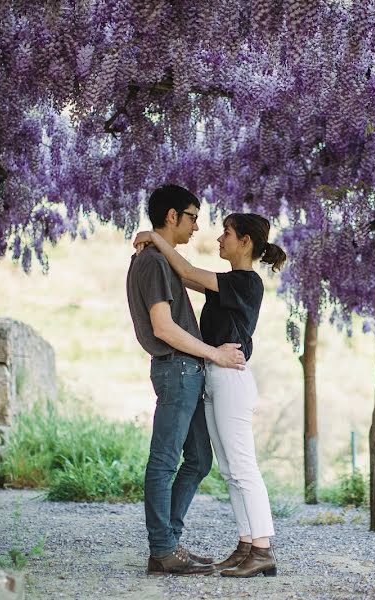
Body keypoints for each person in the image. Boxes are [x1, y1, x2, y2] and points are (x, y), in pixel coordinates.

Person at [133, 212, 287, 578]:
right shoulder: (229, 282)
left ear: (245, 242)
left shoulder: (247, 282)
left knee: (243, 466)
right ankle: (246, 544)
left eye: (227, 234)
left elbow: (185, 272)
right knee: (231, 470)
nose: (220, 240)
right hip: (216, 375)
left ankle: (263, 548)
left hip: (231, 377)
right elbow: (184, 277)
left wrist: (156, 239)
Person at [126, 184, 246, 576]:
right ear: (173, 216)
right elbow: (163, 328)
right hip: (177, 368)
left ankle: (169, 544)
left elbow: (190, 273)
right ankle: (163, 549)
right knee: (164, 461)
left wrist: (156, 240)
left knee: (198, 459)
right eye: (193, 216)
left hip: (186, 371)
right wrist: (215, 355)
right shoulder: (154, 264)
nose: (197, 225)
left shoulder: (160, 258)